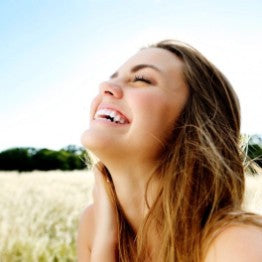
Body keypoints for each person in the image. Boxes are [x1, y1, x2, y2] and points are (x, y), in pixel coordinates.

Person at [77, 40, 262, 261]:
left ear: (193, 124)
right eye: (112, 77)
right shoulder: (93, 224)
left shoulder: (239, 244)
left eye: (141, 79)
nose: (105, 86)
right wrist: (105, 244)